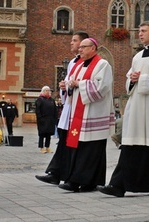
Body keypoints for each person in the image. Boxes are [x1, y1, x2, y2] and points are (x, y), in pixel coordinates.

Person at [100, 22, 149, 197]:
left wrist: (142, 79)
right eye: (139, 30)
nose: (140, 34)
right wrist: (133, 79)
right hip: (138, 107)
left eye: (143, 31)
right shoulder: (137, 56)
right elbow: (129, 78)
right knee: (132, 145)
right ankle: (118, 185)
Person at [58, 38, 114, 192]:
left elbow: (102, 87)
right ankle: (74, 180)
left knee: (92, 151)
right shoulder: (78, 65)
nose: (80, 50)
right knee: (78, 148)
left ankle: (89, 182)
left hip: (93, 115)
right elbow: (71, 84)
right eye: (80, 47)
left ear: (93, 48)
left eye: (83, 47)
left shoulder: (102, 65)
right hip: (78, 115)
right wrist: (65, 86)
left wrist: (79, 84)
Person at [36, 31, 88, 185]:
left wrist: (69, 86)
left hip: (78, 111)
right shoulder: (72, 62)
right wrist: (63, 87)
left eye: (74, 40)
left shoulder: (85, 62)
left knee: (69, 143)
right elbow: (68, 82)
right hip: (69, 108)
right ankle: (56, 173)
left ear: (84, 43)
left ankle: (61, 174)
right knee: (64, 142)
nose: (71, 43)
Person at [35, 86, 58, 153]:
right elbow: (37, 110)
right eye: (46, 90)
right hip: (42, 120)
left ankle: (47, 147)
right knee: (42, 134)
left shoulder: (51, 100)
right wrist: (40, 118)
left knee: (48, 134)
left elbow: (55, 110)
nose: (48, 92)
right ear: (43, 91)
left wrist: (55, 119)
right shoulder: (40, 99)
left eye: (49, 90)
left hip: (50, 120)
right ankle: (41, 147)